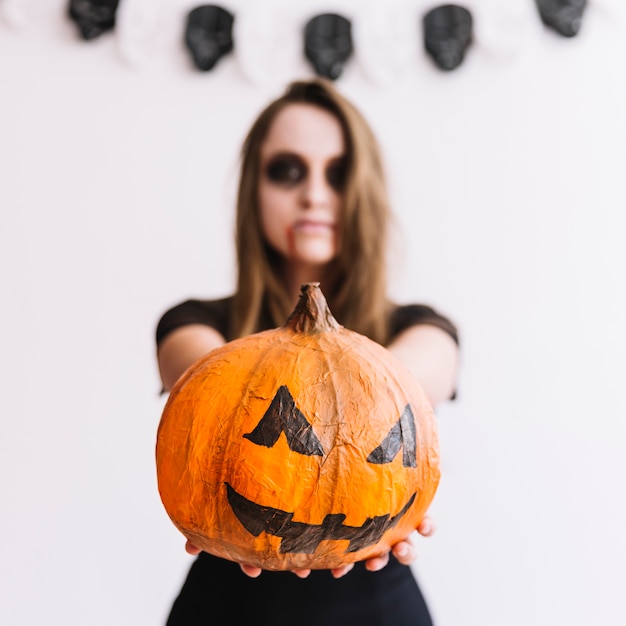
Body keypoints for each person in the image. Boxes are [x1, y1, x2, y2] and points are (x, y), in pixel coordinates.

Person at [155, 78, 460, 626]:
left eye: (338, 173)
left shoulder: (422, 330)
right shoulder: (192, 325)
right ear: (254, 189)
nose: (314, 194)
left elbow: (390, 406)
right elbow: (208, 391)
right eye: (287, 170)